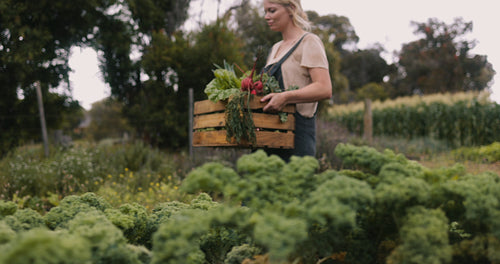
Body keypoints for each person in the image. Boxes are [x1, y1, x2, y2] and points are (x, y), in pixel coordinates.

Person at [260, 0, 332, 161]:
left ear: (291, 9)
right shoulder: (275, 49)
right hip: (268, 138)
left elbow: (324, 88)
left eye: (272, 10)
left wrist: (285, 97)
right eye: (265, 12)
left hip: (297, 140)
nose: (266, 17)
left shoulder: (308, 42)